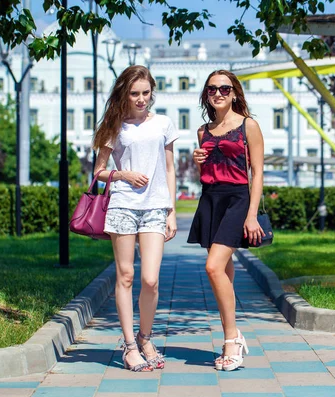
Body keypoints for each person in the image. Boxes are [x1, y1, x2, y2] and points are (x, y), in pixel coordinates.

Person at [93, 65, 178, 372]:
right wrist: (123, 173)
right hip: (123, 205)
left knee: (151, 280)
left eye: (146, 93)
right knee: (126, 275)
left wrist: (171, 210)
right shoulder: (114, 125)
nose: (141, 99)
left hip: (155, 206)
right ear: (124, 94)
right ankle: (129, 346)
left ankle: (145, 336)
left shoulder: (164, 124)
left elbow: (169, 168)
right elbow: (99, 172)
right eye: (135, 94)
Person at [187, 70, 265, 371]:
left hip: (237, 199)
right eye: (211, 89)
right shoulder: (202, 131)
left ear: (234, 93)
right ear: (206, 95)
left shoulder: (249, 126)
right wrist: (198, 163)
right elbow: (207, 174)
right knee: (224, 276)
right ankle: (230, 339)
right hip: (210, 199)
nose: (217, 93)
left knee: (213, 267)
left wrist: (251, 214)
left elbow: (256, 172)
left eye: (224, 88)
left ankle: (232, 340)